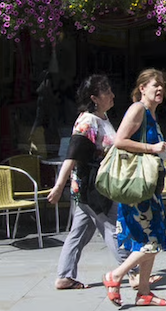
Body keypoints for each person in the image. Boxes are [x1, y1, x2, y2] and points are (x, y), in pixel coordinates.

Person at [102, 69, 166, 307]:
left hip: (149, 188)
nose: (160, 89)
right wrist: (153, 149)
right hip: (137, 190)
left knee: (150, 242)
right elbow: (119, 141)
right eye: (155, 85)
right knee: (150, 242)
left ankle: (144, 292)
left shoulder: (151, 114)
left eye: (162, 86)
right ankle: (116, 276)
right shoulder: (137, 110)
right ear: (142, 88)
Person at [48, 75, 127, 290]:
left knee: (80, 231)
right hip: (90, 187)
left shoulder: (103, 118)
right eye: (106, 92)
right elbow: (71, 156)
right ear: (94, 98)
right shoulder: (88, 121)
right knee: (111, 227)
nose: (112, 95)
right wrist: (58, 186)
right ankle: (133, 271)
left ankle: (65, 275)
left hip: (93, 186)